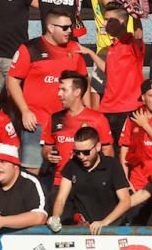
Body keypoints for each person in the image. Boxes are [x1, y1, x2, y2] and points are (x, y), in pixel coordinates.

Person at [7, 9, 88, 174]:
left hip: (66, 125)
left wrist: (88, 114)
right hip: (36, 124)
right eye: (64, 28)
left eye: (70, 27)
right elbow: (12, 80)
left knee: (67, 173)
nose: (69, 31)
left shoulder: (75, 49)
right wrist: (25, 111)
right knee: (32, 172)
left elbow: (84, 84)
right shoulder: (30, 48)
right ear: (51, 28)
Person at [42, 71, 113, 204]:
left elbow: (108, 152)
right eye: (59, 90)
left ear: (77, 92)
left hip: (89, 184)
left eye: (63, 90)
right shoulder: (55, 118)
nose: (59, 94)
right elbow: (46, 148)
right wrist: (48, 155)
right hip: (60, 183)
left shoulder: (97, 119)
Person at [50, 126, 131, 235]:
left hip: (111, 228)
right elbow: (61, 199)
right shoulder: (72, 165)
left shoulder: (112, 165)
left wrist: (104, 222)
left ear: (98, 147)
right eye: (77, 152)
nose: (81, 156)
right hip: (84, 229)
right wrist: (55, 217)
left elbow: (125, 201)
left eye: (86, 152)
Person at [86, 3, 145, 144]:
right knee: (107, 150)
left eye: (109, 20)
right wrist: (90, 53)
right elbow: (109, 71)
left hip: (128, 108)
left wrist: (135, 17)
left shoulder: (131, 43)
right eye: (104, 19)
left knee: (126, 152)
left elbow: (138, 35)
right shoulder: (112, 46)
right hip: (108, 107)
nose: (105, 23)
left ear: (122, 22)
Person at [118, 80, 152, 225]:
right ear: (143, 97)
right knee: (135, 228)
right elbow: (124, 148)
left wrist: (145, 125)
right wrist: (125, 180)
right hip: (138, 184)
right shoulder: (133, 117)